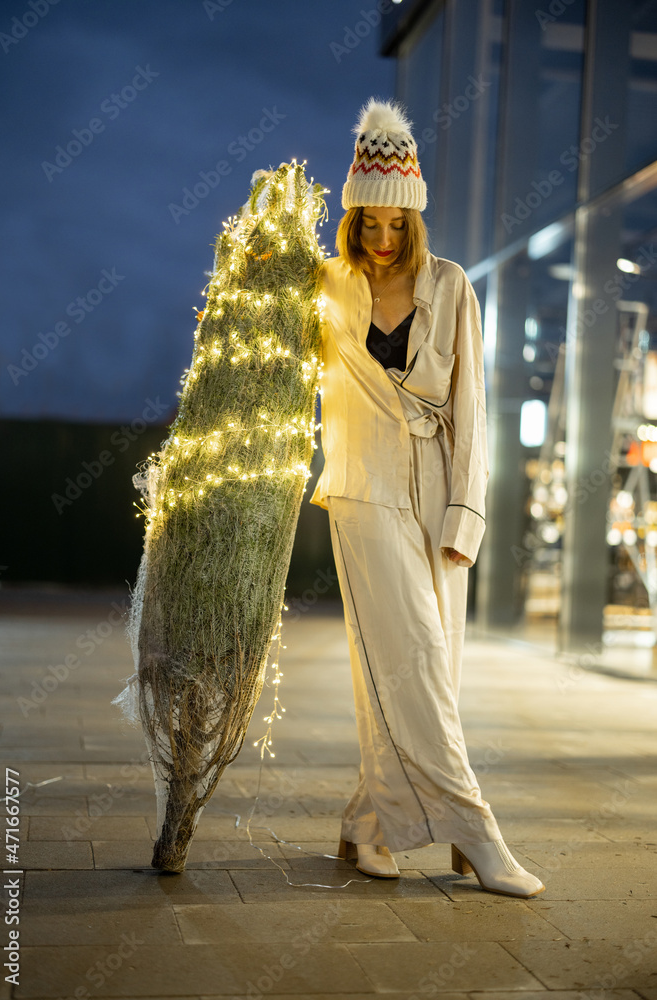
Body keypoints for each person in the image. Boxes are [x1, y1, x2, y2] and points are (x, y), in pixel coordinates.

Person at [308, 98, 545, 899]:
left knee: (424, 672)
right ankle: (473, 831)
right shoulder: (328, 286)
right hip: (360, 492)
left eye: (394, 225)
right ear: (352, 220)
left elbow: (472, 410)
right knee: (406, 659)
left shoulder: (450, 288)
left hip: (439, 492)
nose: (380, 239)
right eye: (367, 223)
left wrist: (464, 518)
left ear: (414, 220)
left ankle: (364, 826)